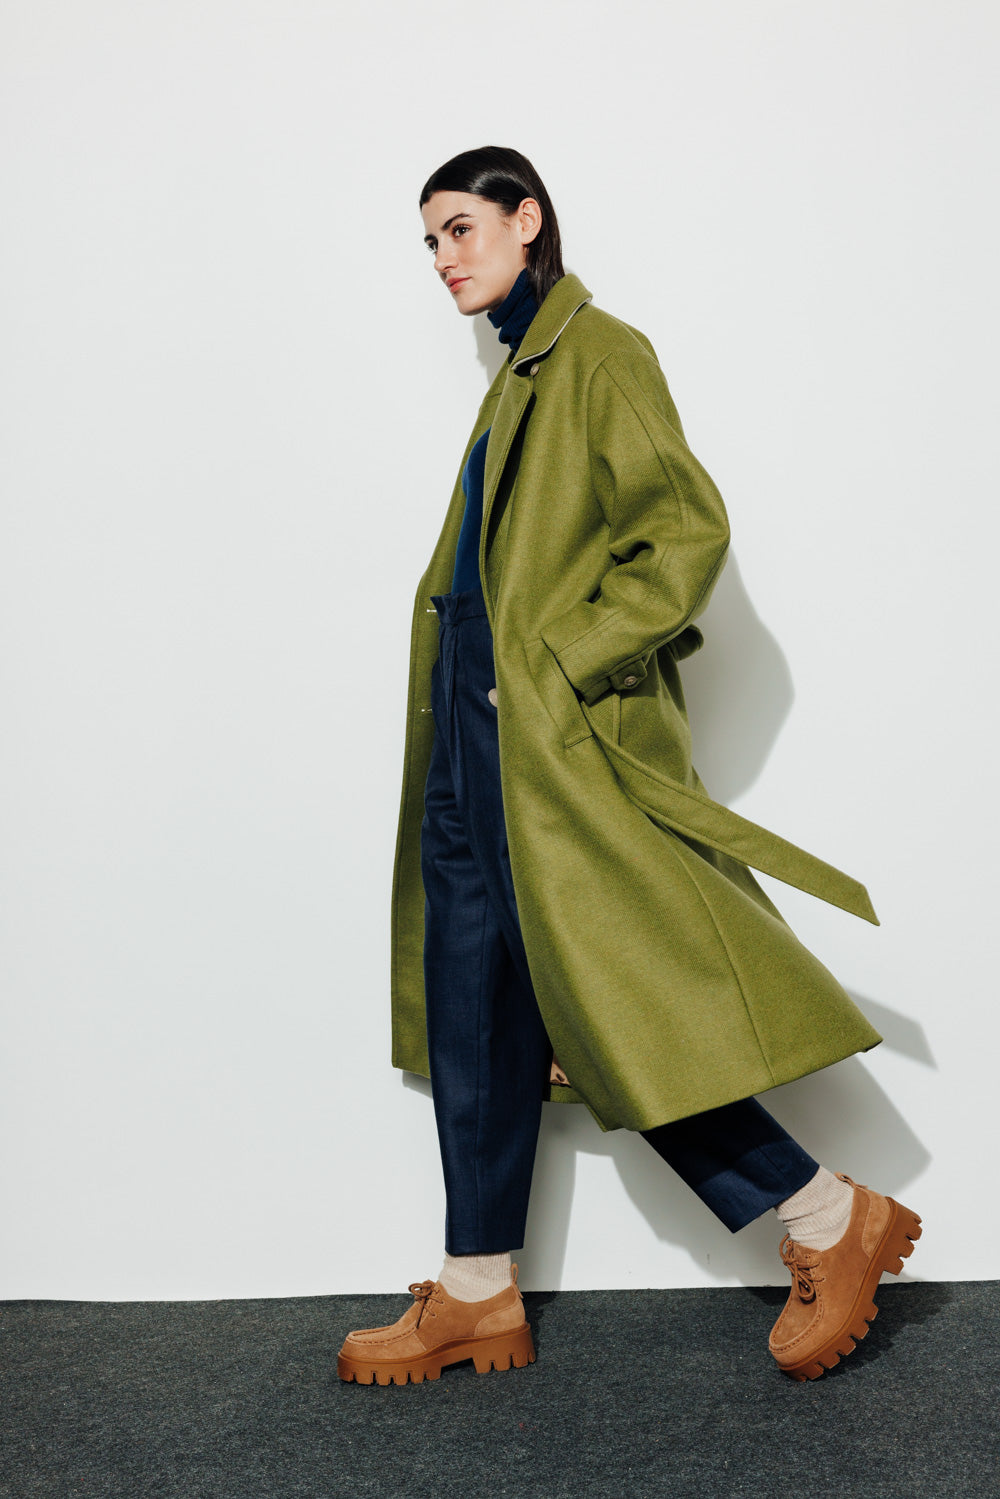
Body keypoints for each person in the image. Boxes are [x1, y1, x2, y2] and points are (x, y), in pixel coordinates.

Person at [337, 147, 920, 1387]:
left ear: (525, 219)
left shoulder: (599, 355)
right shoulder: (516, 375)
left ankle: (828, 1214)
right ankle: (477, 1285)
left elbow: (682, 534)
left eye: (459, 228)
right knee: (474, 1010)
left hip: (543, 747)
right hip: (469, 743)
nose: (442, 258)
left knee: (610, 1012)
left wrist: (561, 663)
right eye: (429, 241)